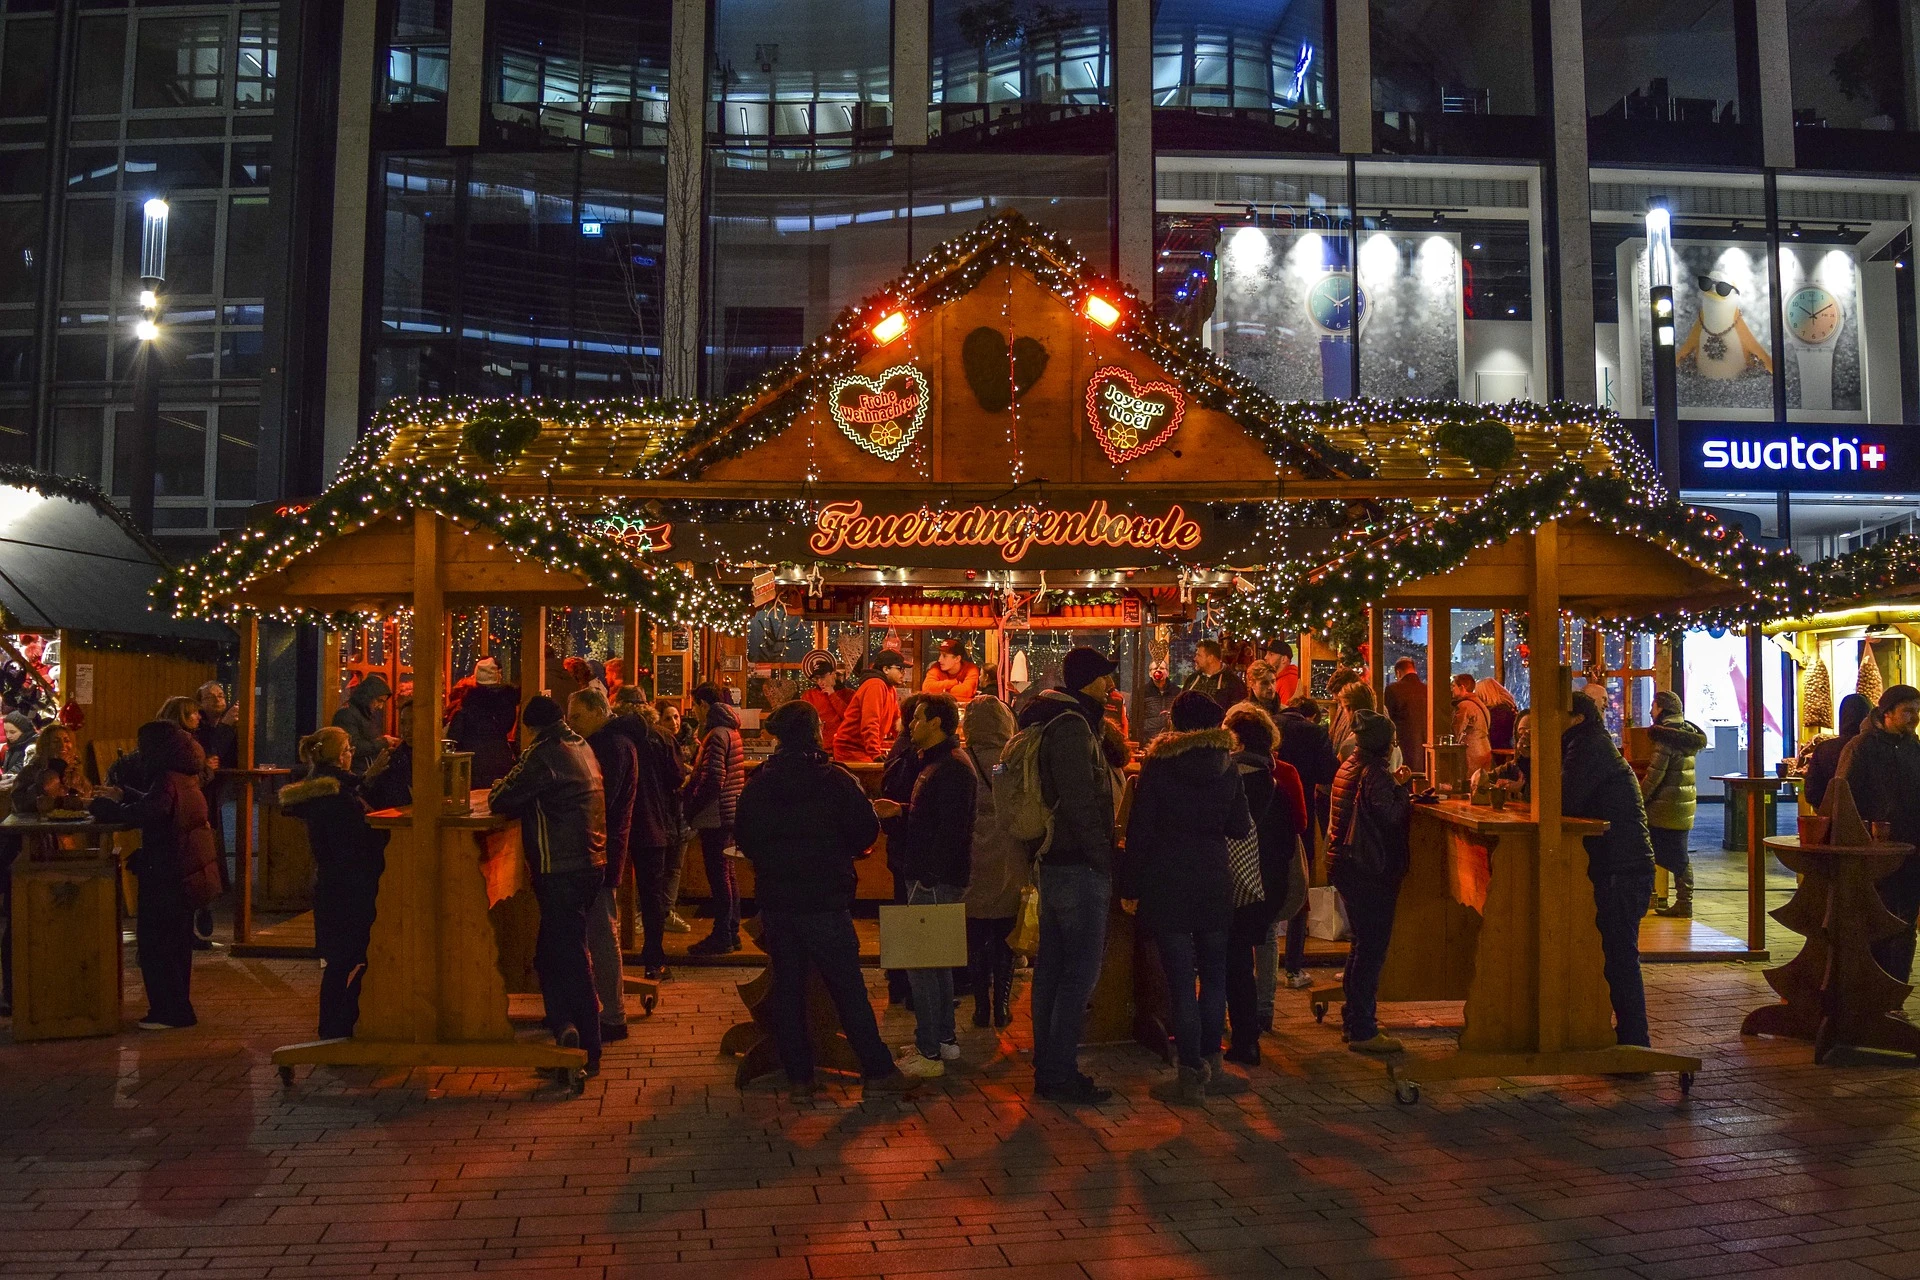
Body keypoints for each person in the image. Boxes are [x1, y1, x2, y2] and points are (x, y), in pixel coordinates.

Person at [733, 699, 918, 1096]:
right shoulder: (835, 779)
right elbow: (866, 831)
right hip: (825, 899)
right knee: (847, 987)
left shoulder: (760, 782)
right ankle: (877, 1070)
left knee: (788, 987)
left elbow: (745, 837)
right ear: (815, 732)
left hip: (779, 900)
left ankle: (799, 1074)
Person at [1123, 691, 1252, 1103]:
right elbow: (1238, 826)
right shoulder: (1226, 766)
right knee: (1214, 976)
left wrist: (1131, 886)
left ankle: (1188, 1071)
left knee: (1180, 981)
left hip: (1168, 881)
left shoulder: (1159, 766)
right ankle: (1214, 1065)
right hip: (1213, 879)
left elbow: (1140, 830)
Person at [1017, 646, 1123, 1104]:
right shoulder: (1073, 726)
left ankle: (1049, 1066)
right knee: (1079, 972)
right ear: (1086, 680)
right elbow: (1081, 801)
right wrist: (1104, 858)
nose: (1109, 685)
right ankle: (1058, 1071)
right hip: (1077, 864)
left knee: (1053, 971)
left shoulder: (1057, 719)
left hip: (1055, 864)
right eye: (1103, 677)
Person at [488, 695, 609, 1078]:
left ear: (529, 728)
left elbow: (502, 798)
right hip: (591, 863)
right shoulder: (581, 744)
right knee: (551, 953)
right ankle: (565, 1030)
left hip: (561, 869)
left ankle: (588, 1049)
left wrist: (503, 781)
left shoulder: (543, 753)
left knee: (569, 957)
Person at [872, 692, 977, 1078]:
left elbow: (948, 832)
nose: (910, 725)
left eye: (917, 719)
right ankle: (944, 1042)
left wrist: (926, 878)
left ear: (936, 723)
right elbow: (934, 818)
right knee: (936, 962)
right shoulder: (937, 763)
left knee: (922, 964)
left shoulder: (950, 768)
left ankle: (928, 1051)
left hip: (932, 880)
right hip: (932, 876)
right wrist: (900, 810)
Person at [90, 721, 221, 1030]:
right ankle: (178, 1007)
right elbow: (160, 804)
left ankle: (168, 1012)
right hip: (184, 870)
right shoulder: (184, 775)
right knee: (176, 945)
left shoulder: (165, 777)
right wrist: (126, 793)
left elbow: (150, 812)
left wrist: (107, 807)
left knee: (157, 944)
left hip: (168, 874)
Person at [1560, 689, 1657, 1048]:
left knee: (1619, 956)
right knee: (1617, 955)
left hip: (1622, 867)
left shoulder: (1587, 747)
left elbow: (1565, 798)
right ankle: (1631, 1037)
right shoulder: (1585, 744)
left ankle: (1635, 1042)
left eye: (1560, 716)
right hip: (1622, 864)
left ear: (1577, 719)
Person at [278, 726, 387, 1038]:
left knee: (339, 963)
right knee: (372, 953)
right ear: (342, 755)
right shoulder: (337, 796)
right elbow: (358, 835)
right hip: (352, 885)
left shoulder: (320, 788)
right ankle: (340, 1026)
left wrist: (366, 781)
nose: (352, 753)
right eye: (349, 748)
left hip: (331, 884)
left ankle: (332, 1027)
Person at [1221, 702, 1307, 1066]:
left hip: (1233, 880)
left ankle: (1236, 1031)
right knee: (1263, 941)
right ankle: (1261, 1017)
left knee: (1231, 957)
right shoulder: (1282, 778)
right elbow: (1296, 829)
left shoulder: (1224, 779)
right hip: (1268, 880)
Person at [1326, 709, 1411, 1055]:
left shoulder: (1350, 764)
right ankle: (1362, 1027)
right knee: (1371, 949)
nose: (1394, 747)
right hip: (1368, 868)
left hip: (1346, 865)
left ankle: (1354, 1019)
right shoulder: (1375, 772)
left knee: (1361, 945)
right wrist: (1402, 789)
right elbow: (1390, 816)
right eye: (1392, 741)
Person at [1834, 685, 1920, 981]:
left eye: (1917, 711)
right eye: (1908, 711)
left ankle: (1896, 989)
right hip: (1873, 853)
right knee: (1874, 918)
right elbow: (1842, 797)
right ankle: (1870, 988)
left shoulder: (1914, 747)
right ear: (1886, 713)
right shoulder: (1862, 747)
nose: (1915, 718)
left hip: (1911, 850)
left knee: (1906, 921)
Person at [567, 689, 636, 1043]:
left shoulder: (607, 746)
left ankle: (612, 1014)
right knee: (601, 929)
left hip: (600, 849)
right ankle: (610, 1010)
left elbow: (600, 801)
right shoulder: (618, 742)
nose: (571, 724)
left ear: (597, 712)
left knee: (601, 931)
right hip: (607, 847)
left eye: (576, 717)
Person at [960, 695, 1025, 1029]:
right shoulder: (1007, 759)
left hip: (971, 855)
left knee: (974, 937)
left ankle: (981, 1006)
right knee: (1004, 936)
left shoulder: (961, 758)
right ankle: (1001, 1004)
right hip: (1007, 855)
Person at [616, 687, 687, 979]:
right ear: (646, 707)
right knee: (652, 894)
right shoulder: (661, 737)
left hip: (616, 825)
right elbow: (677, 777)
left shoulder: (609, 736)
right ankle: (654, 961)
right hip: (651, 823)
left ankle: (606, 958)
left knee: (606, 893)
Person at [1276, 694, 1338, 996]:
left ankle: (1258, 965)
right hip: (1301, 816)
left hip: (1264, 817)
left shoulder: (1269, 724)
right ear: (1311, 715)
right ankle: (1293, 966)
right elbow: (1330, 773)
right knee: (1299, 891)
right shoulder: (1315, 732)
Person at [680, 682, 745, 955]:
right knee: (727, 873)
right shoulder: (731, 730)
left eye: (695, 705)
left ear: (704, 705)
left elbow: (713, 779)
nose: (694, 711)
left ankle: (723, 935)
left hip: (716, 814)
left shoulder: (716, 734)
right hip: (729, 812)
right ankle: (731, 931)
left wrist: (691, 806)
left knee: (719, 876)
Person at [1642, 691, 1708, 918]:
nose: (1651, 711)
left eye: (1653, 706)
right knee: (1678, 856)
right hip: (1681, 807)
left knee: (1649, 852)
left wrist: (1638, 799)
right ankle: (1683, 902)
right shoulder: (1686, 734)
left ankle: (1663, 901)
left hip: (1664, 808)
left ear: (1661, 709)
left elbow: (1654, 775)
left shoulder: (1666, 737)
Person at [448, 657, 520, 788]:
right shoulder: (507, 704)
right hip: (502, 762)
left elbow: (453, 740)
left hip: (474, 767)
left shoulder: (466, 710)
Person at [834, 650, 908, 764]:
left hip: (863, 749)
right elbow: (870, 723)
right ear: (886, 669)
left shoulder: (890, 689)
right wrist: (875, 754)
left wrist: (908, 743)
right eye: (900, 668)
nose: (903, 673)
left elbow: (896, 722)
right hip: (851, 750)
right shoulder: (875, 685)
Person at [1805, 692, 1871, 811]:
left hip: (1832, 818)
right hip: (1869, 820)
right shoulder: (1873, 746)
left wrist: (1826, 810)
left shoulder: (1823, 748)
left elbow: (1812, 791)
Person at [332, 674, 396, 775]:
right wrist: (383, 742)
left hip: (365, 770)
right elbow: (353, 747)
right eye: (379, 701)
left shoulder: (365, 714)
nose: (380, 706)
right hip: (354, 773)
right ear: (367, 696)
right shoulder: (346, 714)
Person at [361, 697, 415, 811]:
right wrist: (370, 775)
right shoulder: (393, 759)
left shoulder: (439, 758)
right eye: (403, 723)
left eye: (413, 722)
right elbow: (372, 799)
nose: (407, 729)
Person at [1383, 657, 1428, 773]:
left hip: (1403, 749)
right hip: (1426, 749)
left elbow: (1388, 721)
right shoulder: (1427, 690)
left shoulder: (1392, 690)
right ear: (1414, 670)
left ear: (1398, 672)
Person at [800, 658, 851, 749]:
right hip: (818, 747)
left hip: (843, 746)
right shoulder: (809, 696)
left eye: (822, 677)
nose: (820, 682)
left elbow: (850, 718)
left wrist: (832, 695)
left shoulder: (847, 694)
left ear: (833, 674)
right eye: (817, 678)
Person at [1182, 639, 1248, 710]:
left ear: (1210, 658)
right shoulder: (1192, 679)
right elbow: (1180, 705)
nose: (1195, 658)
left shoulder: (1233, 683)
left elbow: (1238, 713)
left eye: (1199, 655)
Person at [1451, 673, 1493, 773]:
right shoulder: (1480, 703)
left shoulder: (1464, 706)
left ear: (1462, 687)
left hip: (1471, 752)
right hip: (1485, 749)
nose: (1452, 689)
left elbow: (1456, 730)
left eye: (1453, 686)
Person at [1476, 677, 1520, 752]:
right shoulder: (1507, 708)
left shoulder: (1498, 712)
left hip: (1498, 752)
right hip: (1506, 749)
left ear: (1484, 695)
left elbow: (1495, 736)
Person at [1137, 666, 1178, 744]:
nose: (1158, 670)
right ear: (1150, 673)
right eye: (1155, 668)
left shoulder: (1176, 691)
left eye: (1162, 668)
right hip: (1148, 739)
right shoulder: (1141, 692)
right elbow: (1134, 715)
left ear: (1167, 673)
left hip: (1171, 739)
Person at [1264, 641, 1302, 706]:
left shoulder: (1288, 681)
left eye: (1271, 654)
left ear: (1283, 659)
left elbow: (1285, 712)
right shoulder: (1279, 679)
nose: (1265, 657)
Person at [0, 711, 34, 776]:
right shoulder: (14, 744)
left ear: (24, 731)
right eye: (6, 731)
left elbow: (16, 772)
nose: (8, 736)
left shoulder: (30, 749)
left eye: (12, 732)